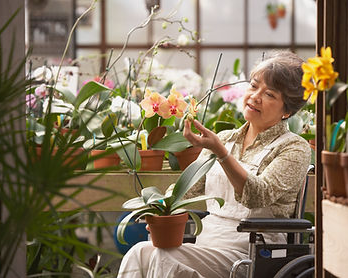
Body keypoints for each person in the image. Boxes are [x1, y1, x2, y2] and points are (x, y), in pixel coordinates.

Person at [117, 50, 311, 278]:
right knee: (139, 252)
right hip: (207, 243)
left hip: (251, 252)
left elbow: (257, 195)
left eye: (269, 94)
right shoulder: (226, 138)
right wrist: (160, 210)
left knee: (165, 257)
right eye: (253, 86)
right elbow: (187, 191)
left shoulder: (294, 148)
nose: (255, 97)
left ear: (287, 110)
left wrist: (220, 153)